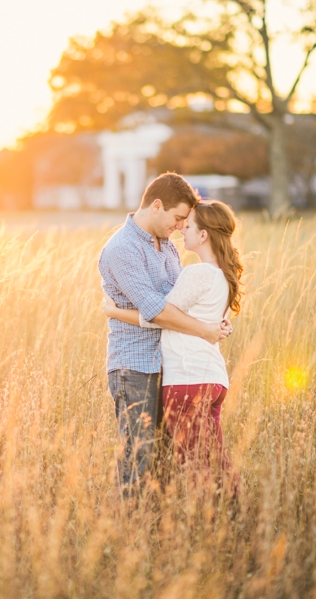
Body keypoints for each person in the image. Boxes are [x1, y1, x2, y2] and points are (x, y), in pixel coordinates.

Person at [99, 173, 231, 499]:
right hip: (135, 367)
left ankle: (160, 537)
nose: (179, 226)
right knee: (138, 456)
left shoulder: (167, 248)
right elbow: (158, 311)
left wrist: (213, 321)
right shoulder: (123, 248)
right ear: (156, 206)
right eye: (177, 218)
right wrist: (204, 330)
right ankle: (130, 535)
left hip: (171, 368)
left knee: (165, 461)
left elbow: (179, 306)